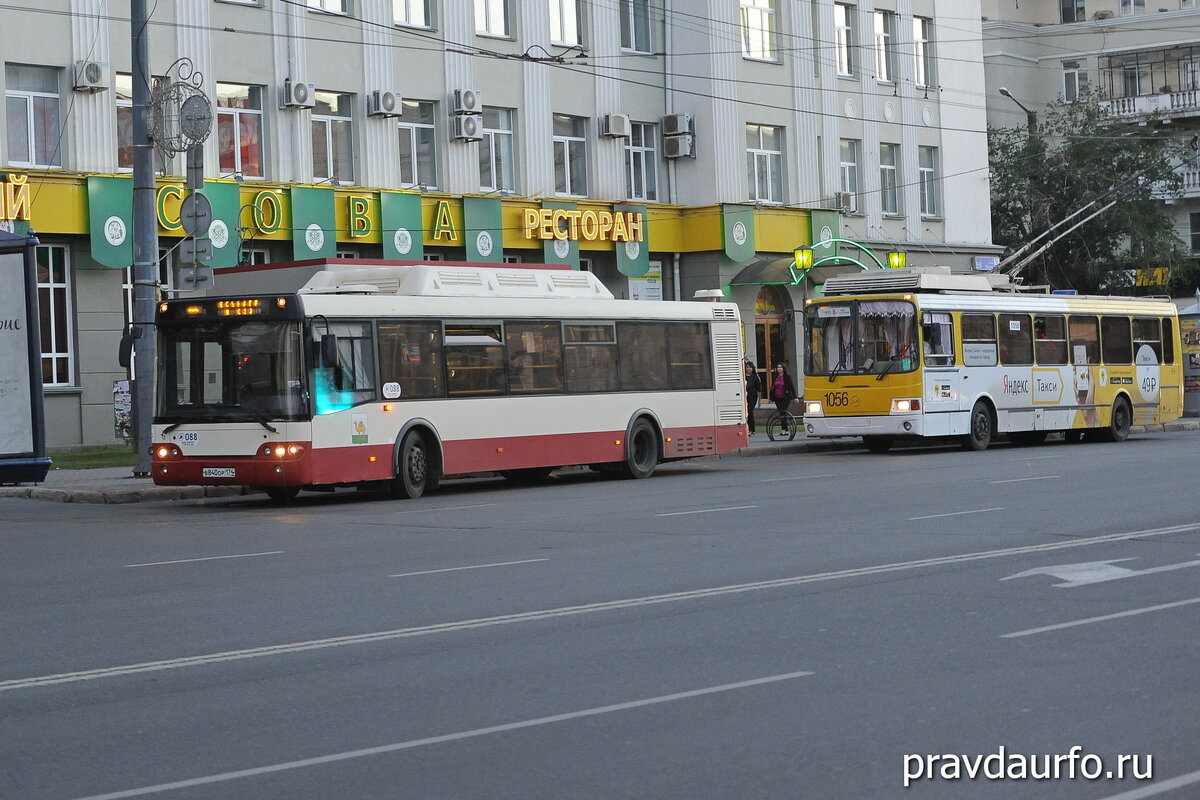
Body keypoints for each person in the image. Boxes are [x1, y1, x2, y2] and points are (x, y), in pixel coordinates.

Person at [770, 362, 797, 429]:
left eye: (780, 367)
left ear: (783, 368)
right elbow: (773, 387)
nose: (779, 369)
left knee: (783, 411)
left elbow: (791, 387)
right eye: (778, 367)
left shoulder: (787, 377)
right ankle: (784, 429)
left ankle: (785, 429)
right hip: (777, 397)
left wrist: (795, 397)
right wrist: (771, 398)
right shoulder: (775, 377)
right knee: (781, 413)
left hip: (785, 397)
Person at [744, 360, 761, 434]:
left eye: (750, 367)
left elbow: (759, 389)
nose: (748, 369)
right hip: (745, 397)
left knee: (750, 411)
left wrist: (759, 401)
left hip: (753, 397)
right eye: (747, 367)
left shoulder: (755, 376)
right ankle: (750, 429)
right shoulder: (743, 376)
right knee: (747, 412)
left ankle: (751, 429)